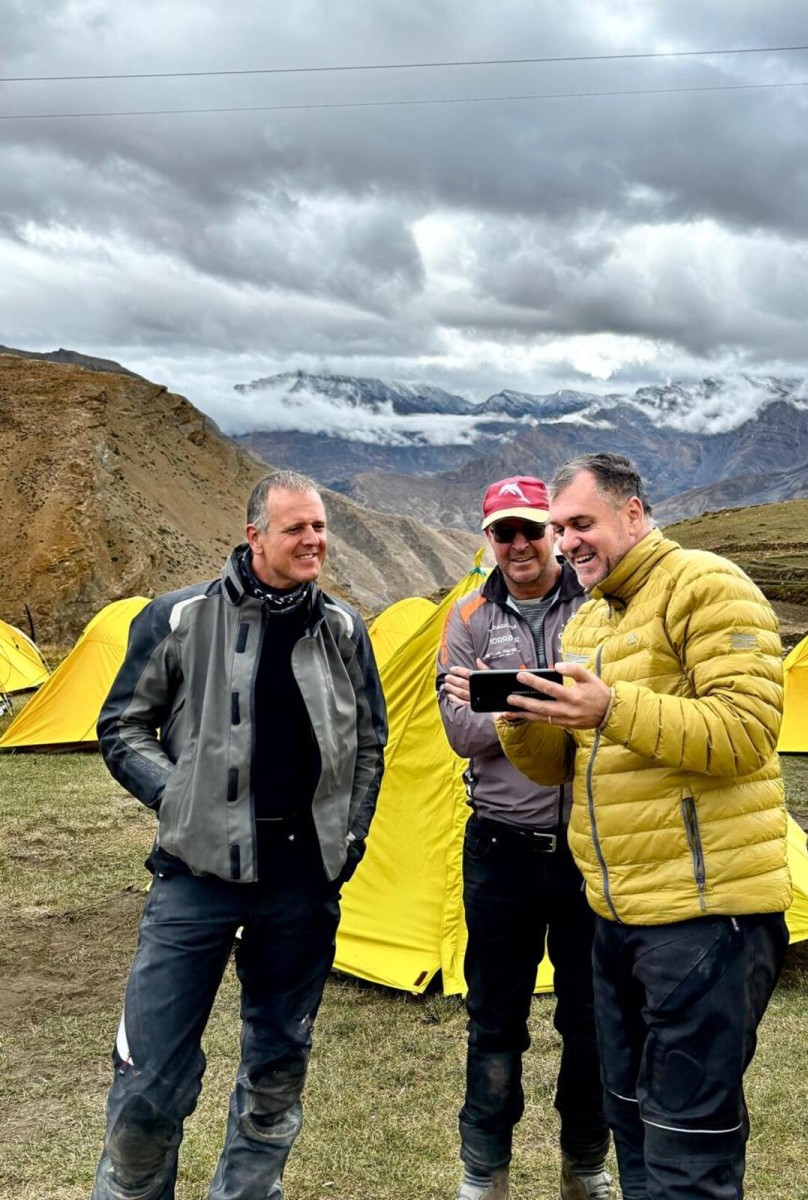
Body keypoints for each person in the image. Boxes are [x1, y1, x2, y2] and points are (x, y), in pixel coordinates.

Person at [495, 453, 792, 1200]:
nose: (565, 544)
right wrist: (518, 714)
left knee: (688, 1140)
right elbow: (557, 767)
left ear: (634, 513)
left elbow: (745, 732)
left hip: (705, 918)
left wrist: (611, 708)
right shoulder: (592, 616)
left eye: (581, 524)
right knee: (631, 1122)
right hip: (616, 918)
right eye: (559, 528)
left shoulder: (708, 585)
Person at [91, 469, 387, 1200]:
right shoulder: (180, 617)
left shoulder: (343, 629)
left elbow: (372, 742)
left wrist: (348, 840)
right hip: (195, 879)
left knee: (278, 1063)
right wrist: (180, 799)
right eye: (296, 528)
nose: (314, 539)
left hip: (301, 884)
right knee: (150, 1075)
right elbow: (122, 725)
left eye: (319, 526)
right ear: (254, 536)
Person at [437, 475, 614, 1200]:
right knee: (494, 1021)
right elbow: (459, 732)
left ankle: (585, 1164)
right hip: (500, 851)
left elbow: (607, 714)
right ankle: (485, 1174)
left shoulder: (598, 607)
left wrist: (501, 693)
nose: (518, 545)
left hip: (587, 850)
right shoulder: (470, 615)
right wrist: (554, 702)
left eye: (531, 530)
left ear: (553, 533)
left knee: (592, 1020)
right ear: (489, 540)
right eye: (502, 532)